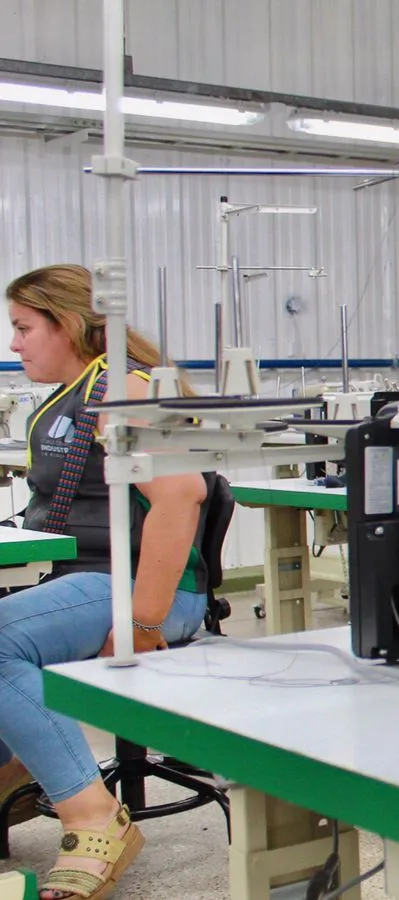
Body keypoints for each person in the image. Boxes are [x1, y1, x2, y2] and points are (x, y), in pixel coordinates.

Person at [0, 264, 213, 900]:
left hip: (142, 589)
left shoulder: (125, 389)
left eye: (23, 328)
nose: (15, 345)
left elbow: (180, 498)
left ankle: (92, 817)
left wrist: (143, 620)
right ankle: (19, 769)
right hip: (79, 578)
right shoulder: (68, 398)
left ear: (65, 325)